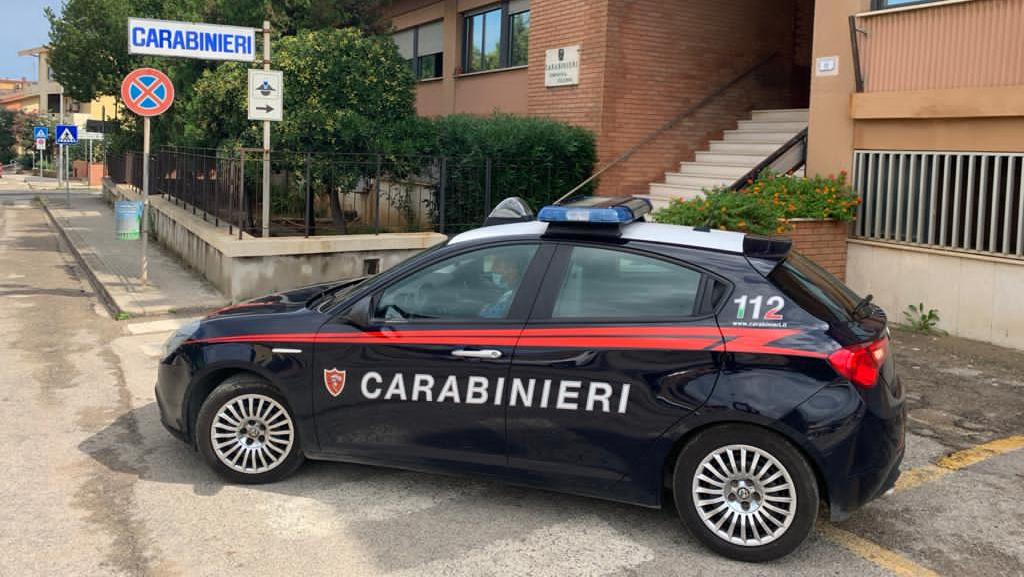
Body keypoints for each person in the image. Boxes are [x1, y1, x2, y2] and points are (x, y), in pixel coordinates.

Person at [479, 254, 524, 318]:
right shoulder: (510, 291)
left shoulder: (510, 296)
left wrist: (484, 309)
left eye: (496, 267)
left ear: (511, 270)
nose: (492, 270)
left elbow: (489, 317)